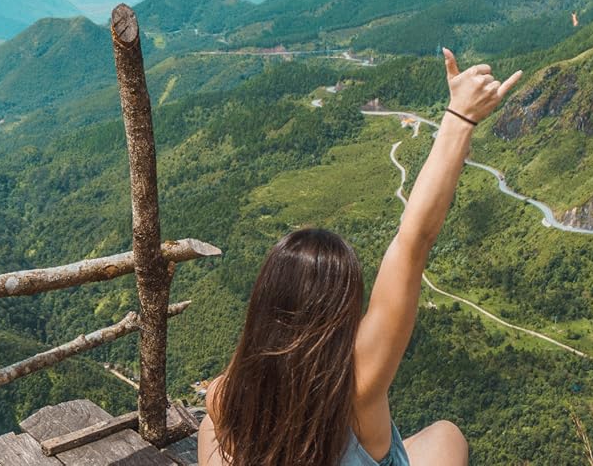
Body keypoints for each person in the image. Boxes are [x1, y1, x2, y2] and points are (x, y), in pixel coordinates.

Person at [198, 49, 523, 466]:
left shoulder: (225, 394)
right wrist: (460, 118)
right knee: (447, 437)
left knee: (211, 426)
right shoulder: (356, 387)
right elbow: (413, 240)